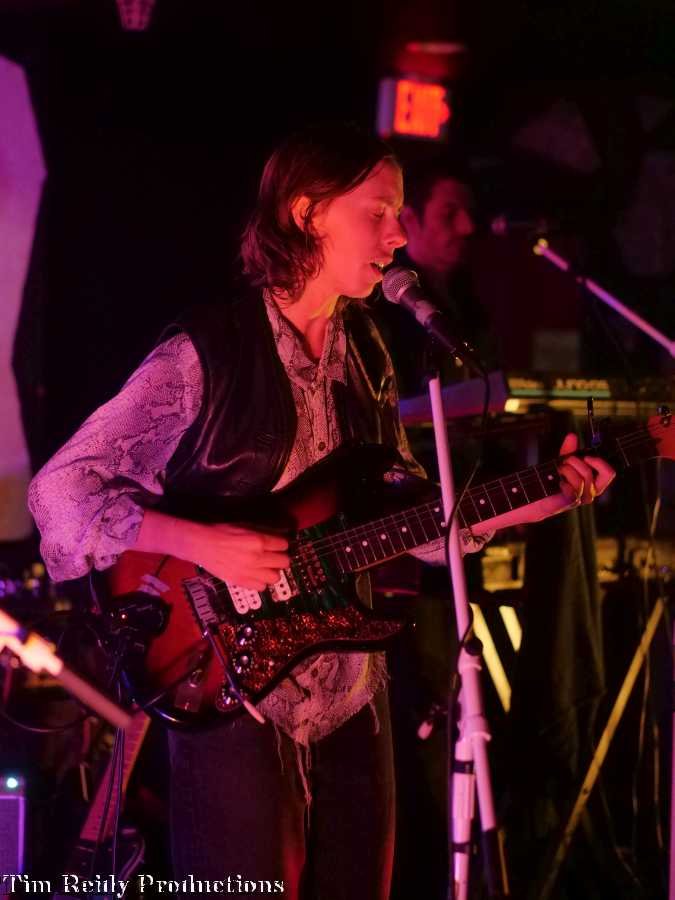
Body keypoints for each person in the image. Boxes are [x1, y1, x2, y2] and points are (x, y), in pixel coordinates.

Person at [27, 122, 615, 900]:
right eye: (379, 212)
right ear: (306, 213)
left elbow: (412, 519)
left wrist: (536, 503)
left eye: (398, 215)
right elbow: (61, 491)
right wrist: (200, 541)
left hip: (350, 688)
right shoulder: (208, 351)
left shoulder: (369, 353)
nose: (397, 235)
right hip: (229, 678)